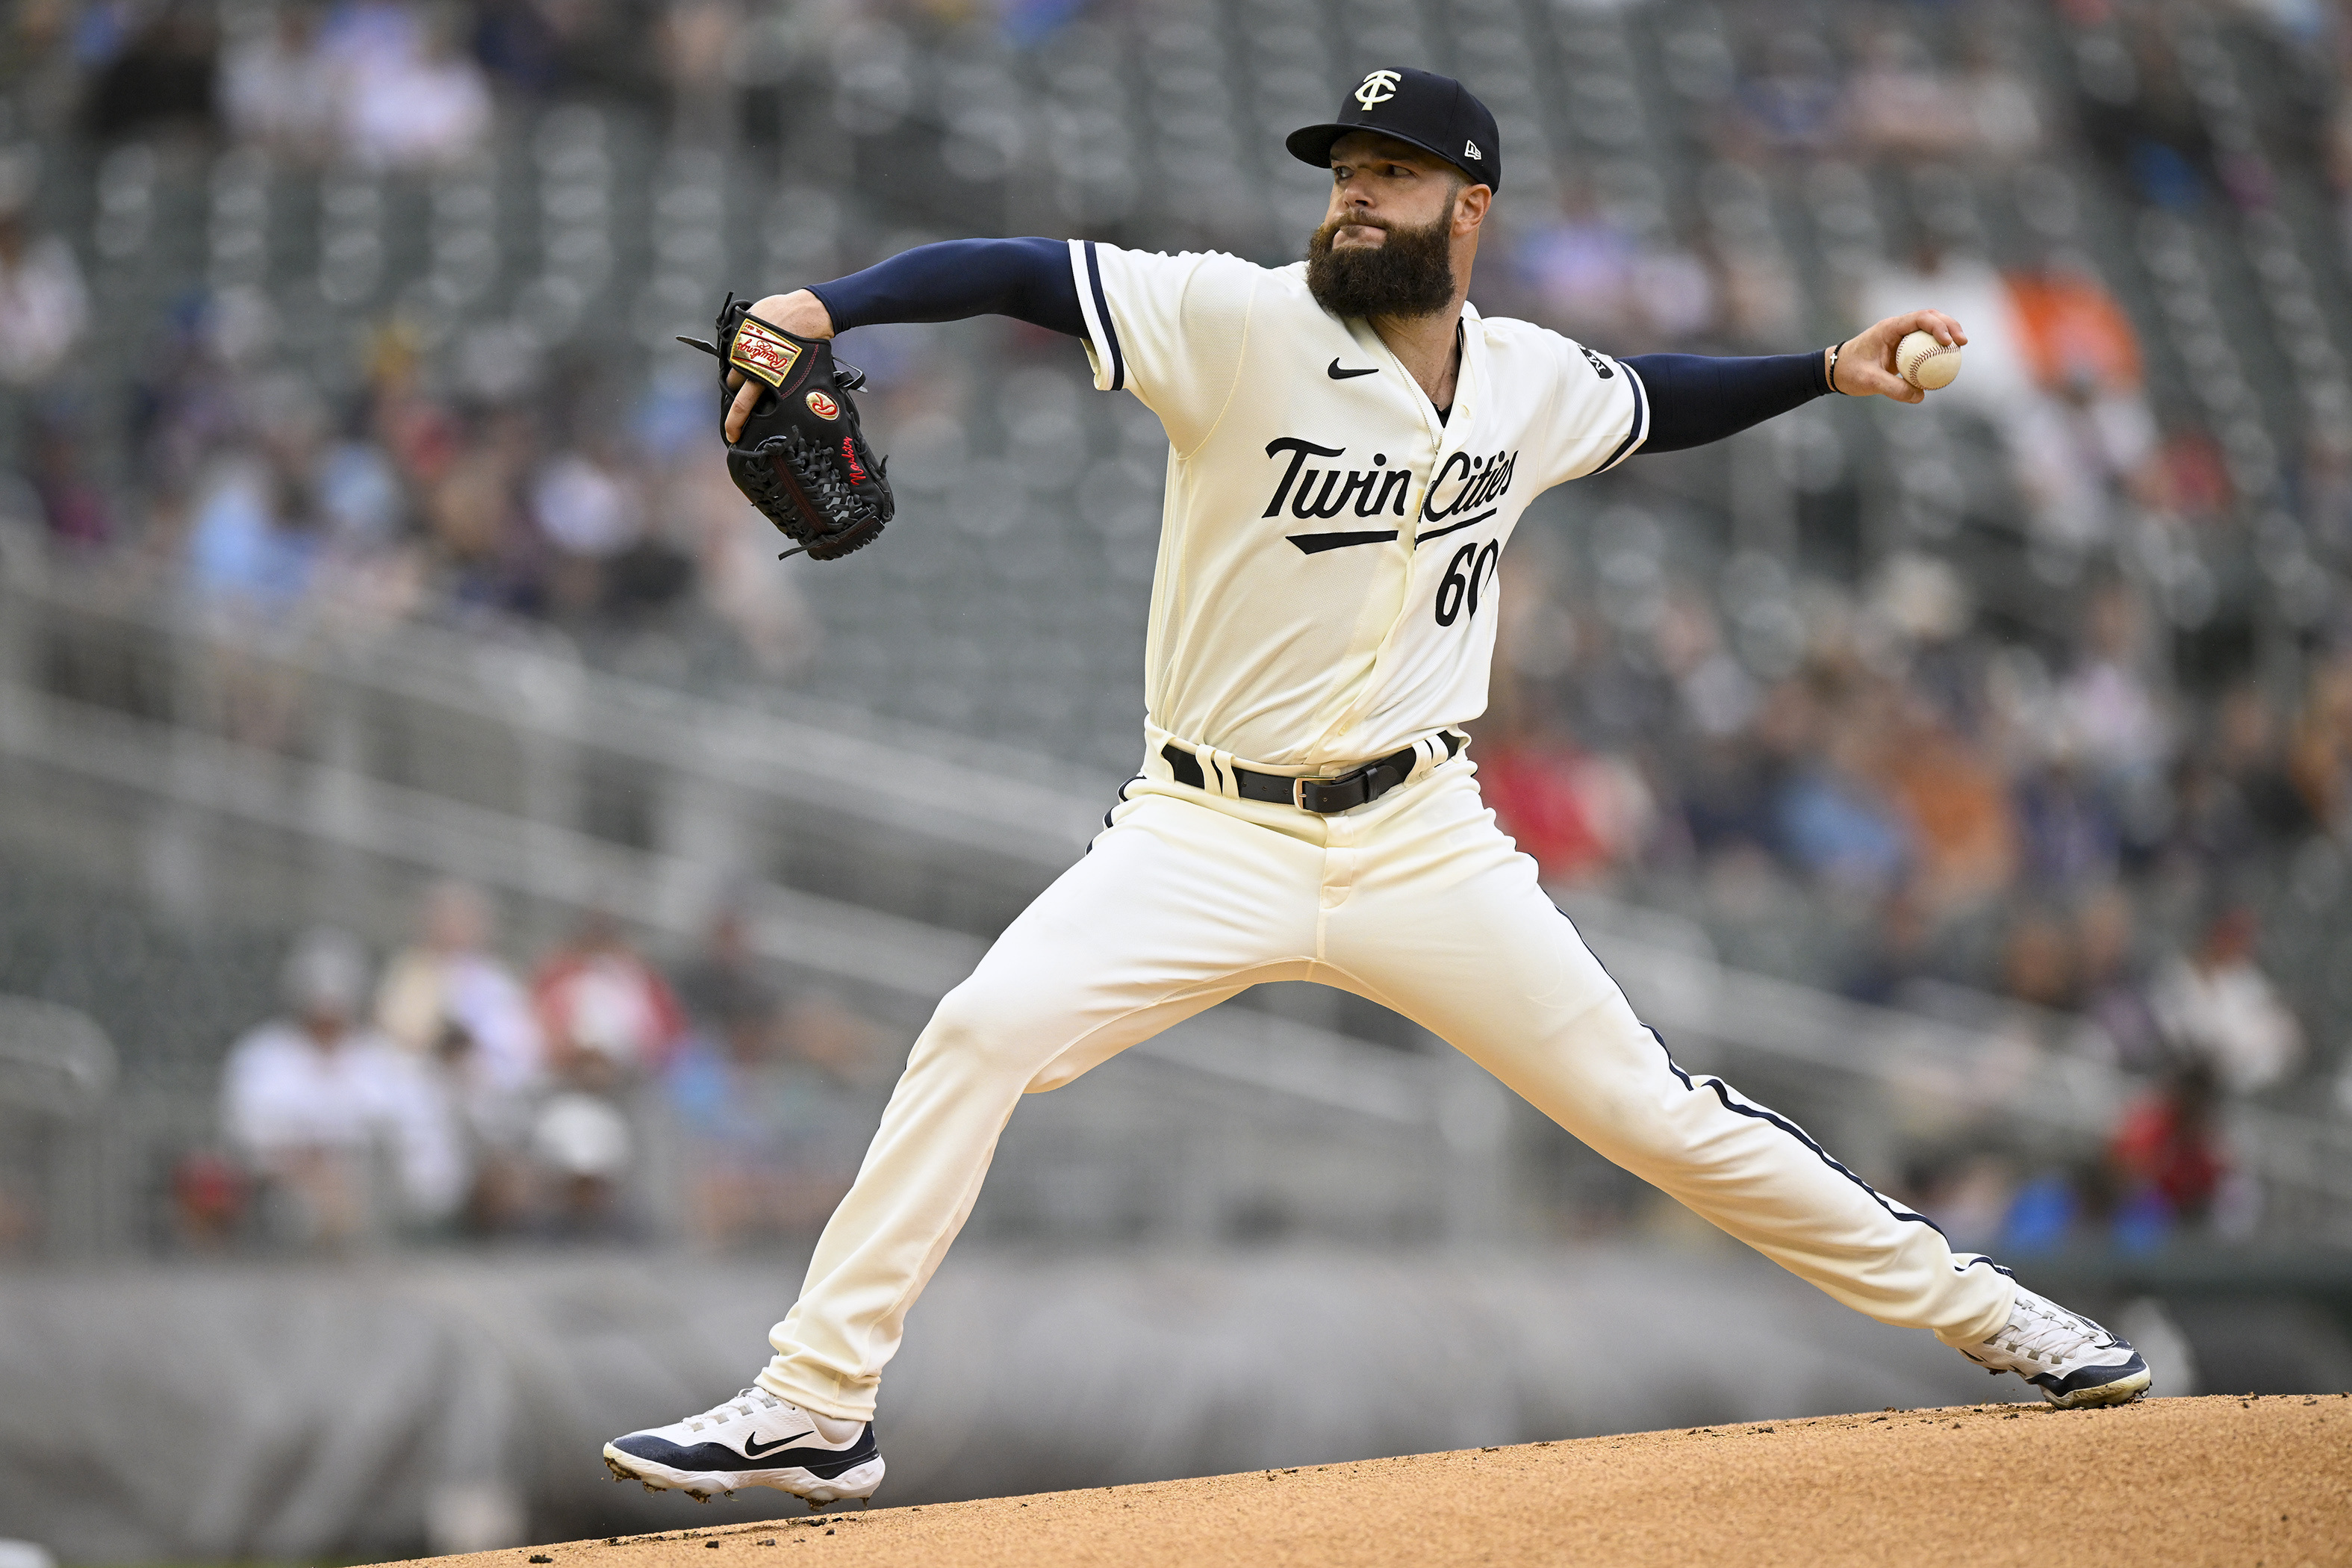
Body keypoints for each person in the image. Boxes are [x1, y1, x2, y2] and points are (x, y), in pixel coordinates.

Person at [603, 68, 2150, 1510]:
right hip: (1202, 831)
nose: (1354, 197)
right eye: (1343, 172)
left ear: (1469, 211)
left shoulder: (1529, 382)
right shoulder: (1232, 320)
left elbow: (1652, 397)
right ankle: (816, 1404)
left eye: (1391, 176)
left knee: (1653, 1116)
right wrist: (834, 305)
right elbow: (1021, 268)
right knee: (980, 1033)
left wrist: (1821, 371)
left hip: (1425, 842)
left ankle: (2000, 1317)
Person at [220, 928, 464, 1246]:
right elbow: (248, 1136)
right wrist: (311, 1171)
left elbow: (423, 1147)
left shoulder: (384, 1060)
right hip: (287, 1198)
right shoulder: (263, 1055)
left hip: (377, 1202)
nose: (327, 1018)